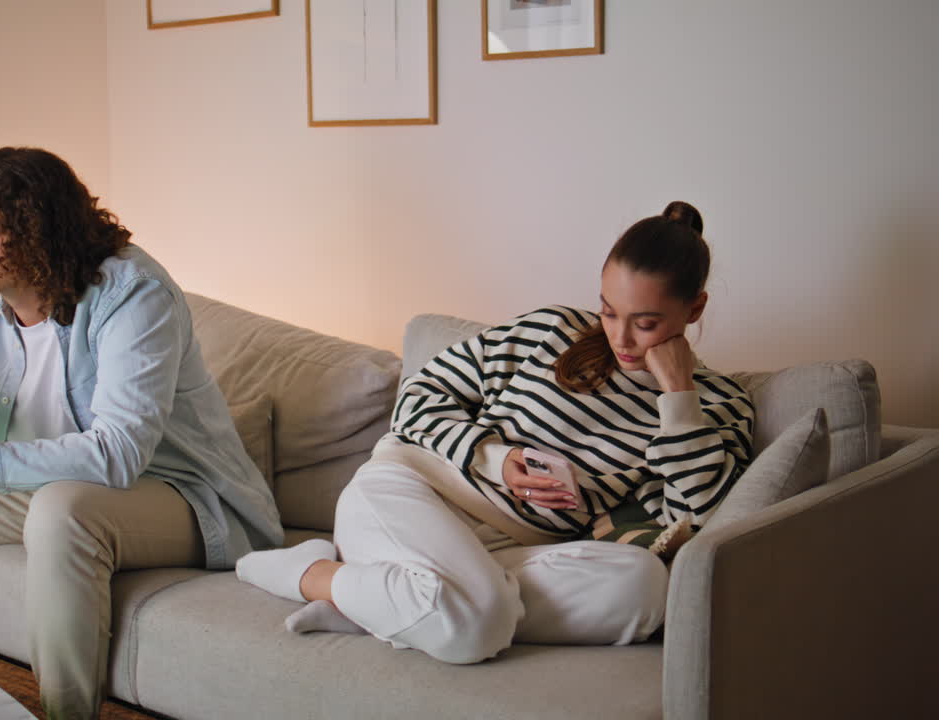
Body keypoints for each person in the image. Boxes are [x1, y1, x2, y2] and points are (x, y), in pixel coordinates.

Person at [0, 147, 283, 719]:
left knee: (62, 510)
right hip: (59, 488)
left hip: (187, 499)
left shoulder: (133, 293)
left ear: (39, 229)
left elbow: (118, 454)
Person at [236, 201, 754, 663]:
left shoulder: (717, 404)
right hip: (413, 492)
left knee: (645, 586)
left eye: (645, 323)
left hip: (511, 551)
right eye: (608, 310)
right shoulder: (552, 332)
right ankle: (314, 575)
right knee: (480, 625)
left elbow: (697, 520)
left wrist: (678, 397)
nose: (619, 337)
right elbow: (417, 398)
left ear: (695, 308)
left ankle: (389, 607)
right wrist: (494, 459)